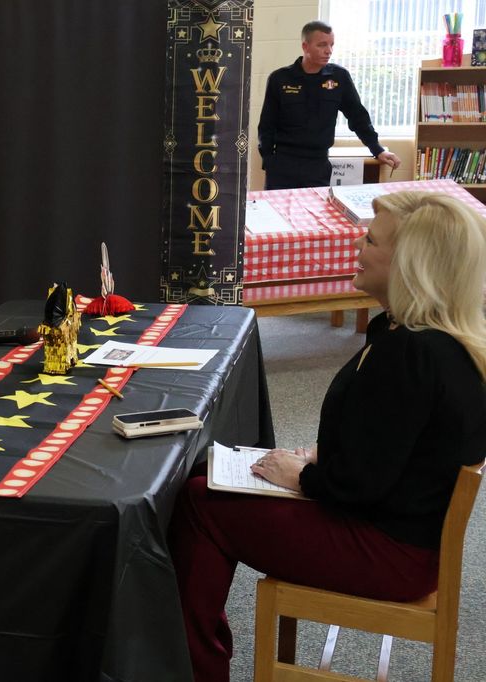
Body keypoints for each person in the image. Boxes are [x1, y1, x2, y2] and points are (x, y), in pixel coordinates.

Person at [169, 191, 486, 681]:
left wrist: (306, 475)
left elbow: (359, 485)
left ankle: (195, 668)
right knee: (209, 481)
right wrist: (324, 458)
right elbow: (398, 451)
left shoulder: (412, 353)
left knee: (198, 502)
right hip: (401, 535)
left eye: (370, 240)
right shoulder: (423, 338)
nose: (356, 248)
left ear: (410, 263)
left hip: (387, 552)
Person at [258, 20, 402, 189]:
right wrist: (269, 161)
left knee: (315, 215)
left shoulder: (339, 78)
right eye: (322, 45)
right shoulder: (280, 79)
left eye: (331, 45)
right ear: (305, 46)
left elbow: (358, 117)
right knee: (276, 214)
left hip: (317, 165)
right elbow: (266, 125)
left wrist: (377, 150)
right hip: (283, 164)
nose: (329, 51)